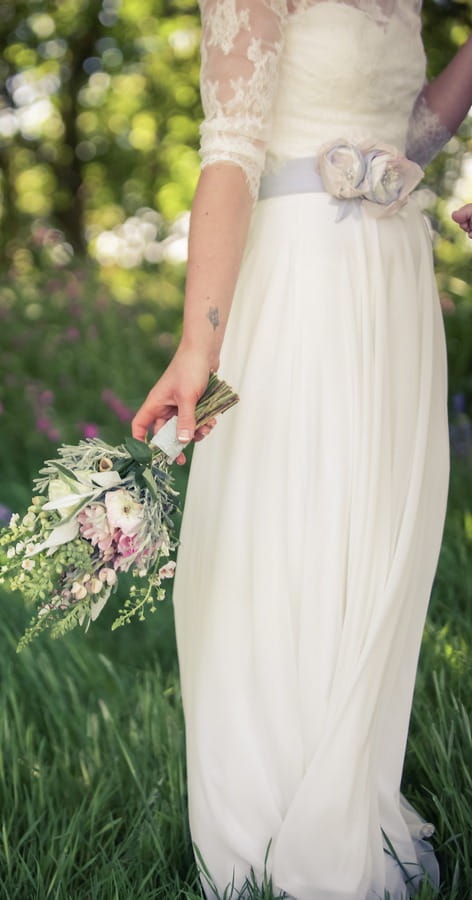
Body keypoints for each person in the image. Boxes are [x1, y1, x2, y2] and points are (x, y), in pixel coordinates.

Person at [132, 3, 472, 898]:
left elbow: (412, 132)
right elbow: (231, 150)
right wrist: (200, 347)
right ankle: (269, 824)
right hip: (302, 278)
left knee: (375, 539)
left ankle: (352, 790)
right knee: (291, 528)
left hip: (394, 271)